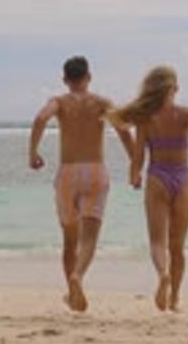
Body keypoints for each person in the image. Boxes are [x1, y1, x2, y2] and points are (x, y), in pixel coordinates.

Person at [112, 65, 188, 312]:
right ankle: (175, 298)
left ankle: (162, 275)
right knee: (177, 245)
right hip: (183, 179)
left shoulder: (146, 118)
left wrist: (134, 175)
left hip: (157, 177)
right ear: (174, 88)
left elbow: (138, 154)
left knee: (158, 242)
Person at [29, 56, 134, 312]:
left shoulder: (59, 102)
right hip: (96, 171)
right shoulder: (101, 103)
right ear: (89, 77)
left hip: (68, 173)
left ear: (65, 80)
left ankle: (72, 292)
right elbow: (122, 130)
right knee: (89, 238)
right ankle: (78, 276)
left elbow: (41, 119)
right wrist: (135, 164)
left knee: (69, 239)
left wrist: (33, 152)